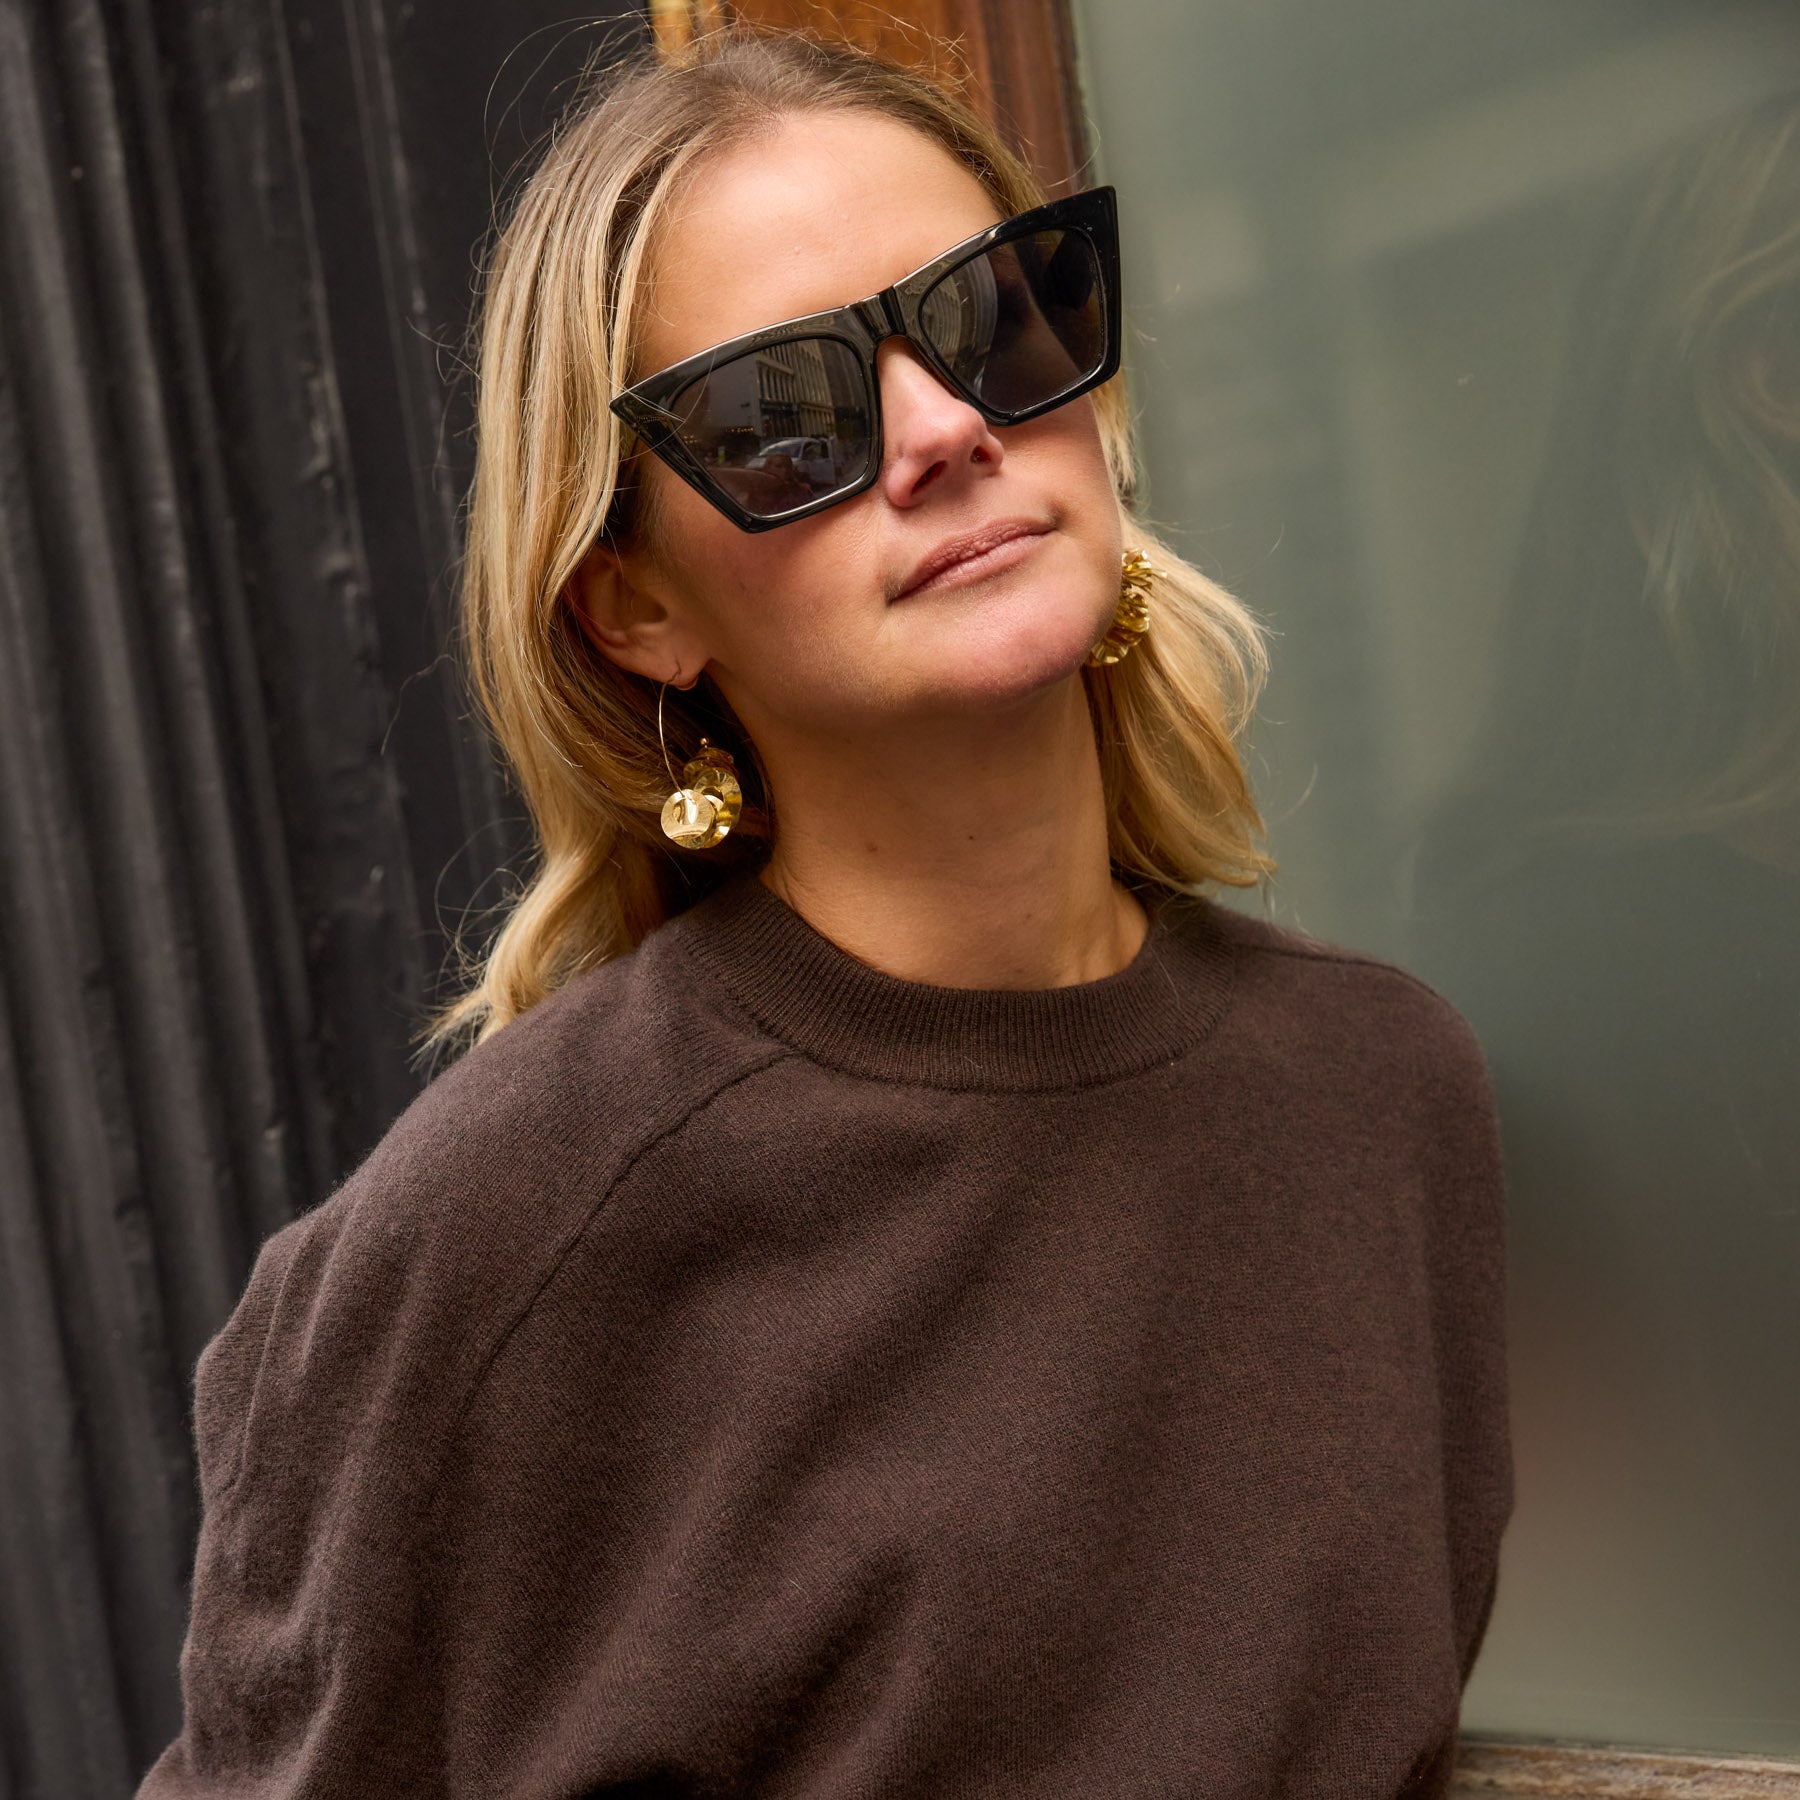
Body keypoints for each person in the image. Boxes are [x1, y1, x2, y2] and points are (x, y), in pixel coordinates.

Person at [136, 25, 1513, 1799]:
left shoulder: (1380, 1097)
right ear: (635, 608)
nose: (942, 432)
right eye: (783, 413)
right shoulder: (503, 1239)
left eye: (994, 320)